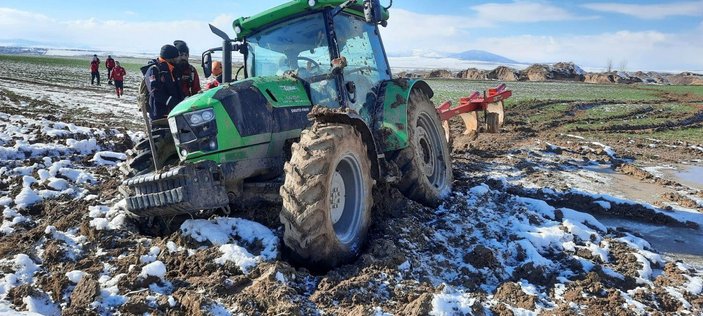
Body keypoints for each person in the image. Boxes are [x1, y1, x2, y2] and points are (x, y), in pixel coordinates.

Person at [143, 44, 185, 120]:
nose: (179, 58)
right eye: (177, 56)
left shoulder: (173, 69)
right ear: (170, 57)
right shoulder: (154, 70)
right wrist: (171, 101)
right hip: (159, 115)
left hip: (173, 112)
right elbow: (154, 92)